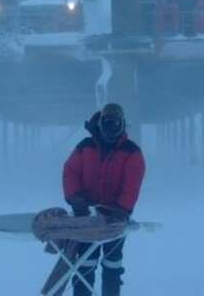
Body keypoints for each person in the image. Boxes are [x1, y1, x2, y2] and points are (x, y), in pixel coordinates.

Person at [62, 103, 146, 296]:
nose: (111, 128)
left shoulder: (132, 153)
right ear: (100, 123)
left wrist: (119, 209)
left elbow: (132, 185)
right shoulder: (85, 147)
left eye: (116, 123)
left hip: (115, 221)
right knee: (85, 263)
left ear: (123, 124)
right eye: (107, 123)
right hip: (86, 217)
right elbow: (70, 171)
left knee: (112, 264)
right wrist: (75, 199)